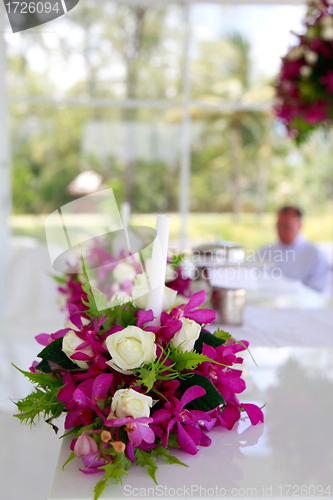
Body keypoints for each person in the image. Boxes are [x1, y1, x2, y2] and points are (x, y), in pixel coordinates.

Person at [257, 206, 331, 296]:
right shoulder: (264, 252)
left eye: (286, 226)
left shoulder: (315, 256)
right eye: (278, 225)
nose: (281, 230)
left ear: (299, 225)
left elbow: (319, 293)